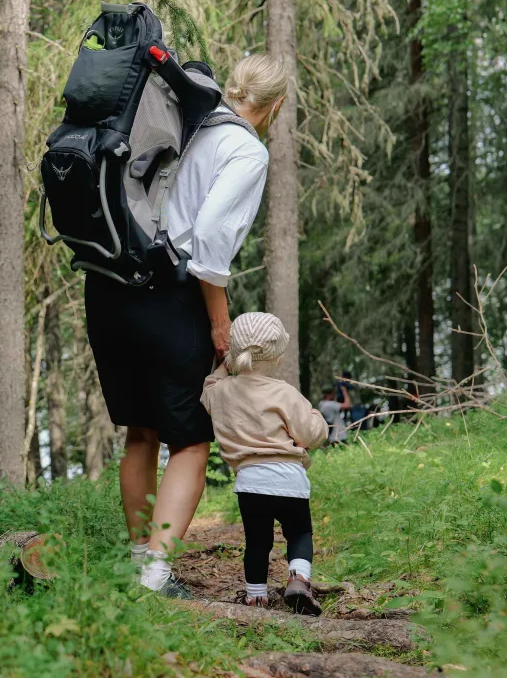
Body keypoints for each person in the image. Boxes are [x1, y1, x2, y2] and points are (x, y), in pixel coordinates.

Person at [84, 53, 288, 598]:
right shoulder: (245, 149)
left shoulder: (181, 119)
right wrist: (219, 321)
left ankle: (137, 563)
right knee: (191, 442)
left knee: (140, 432)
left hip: (107, 285)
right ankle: (154, 575)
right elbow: (212, 239)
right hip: (168, 295)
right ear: (277, 105)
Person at [202, 312, 329, 615]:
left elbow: (208, 388)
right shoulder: (284, 392)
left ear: (234, 354)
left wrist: (226, 365)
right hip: (289, 478)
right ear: (278, 358)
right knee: (299, 533)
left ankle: (255, 596)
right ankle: (298, 578)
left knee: (257, 542)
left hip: (251, 481)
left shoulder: (221, 392)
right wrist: (316, 419)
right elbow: (310, 434)